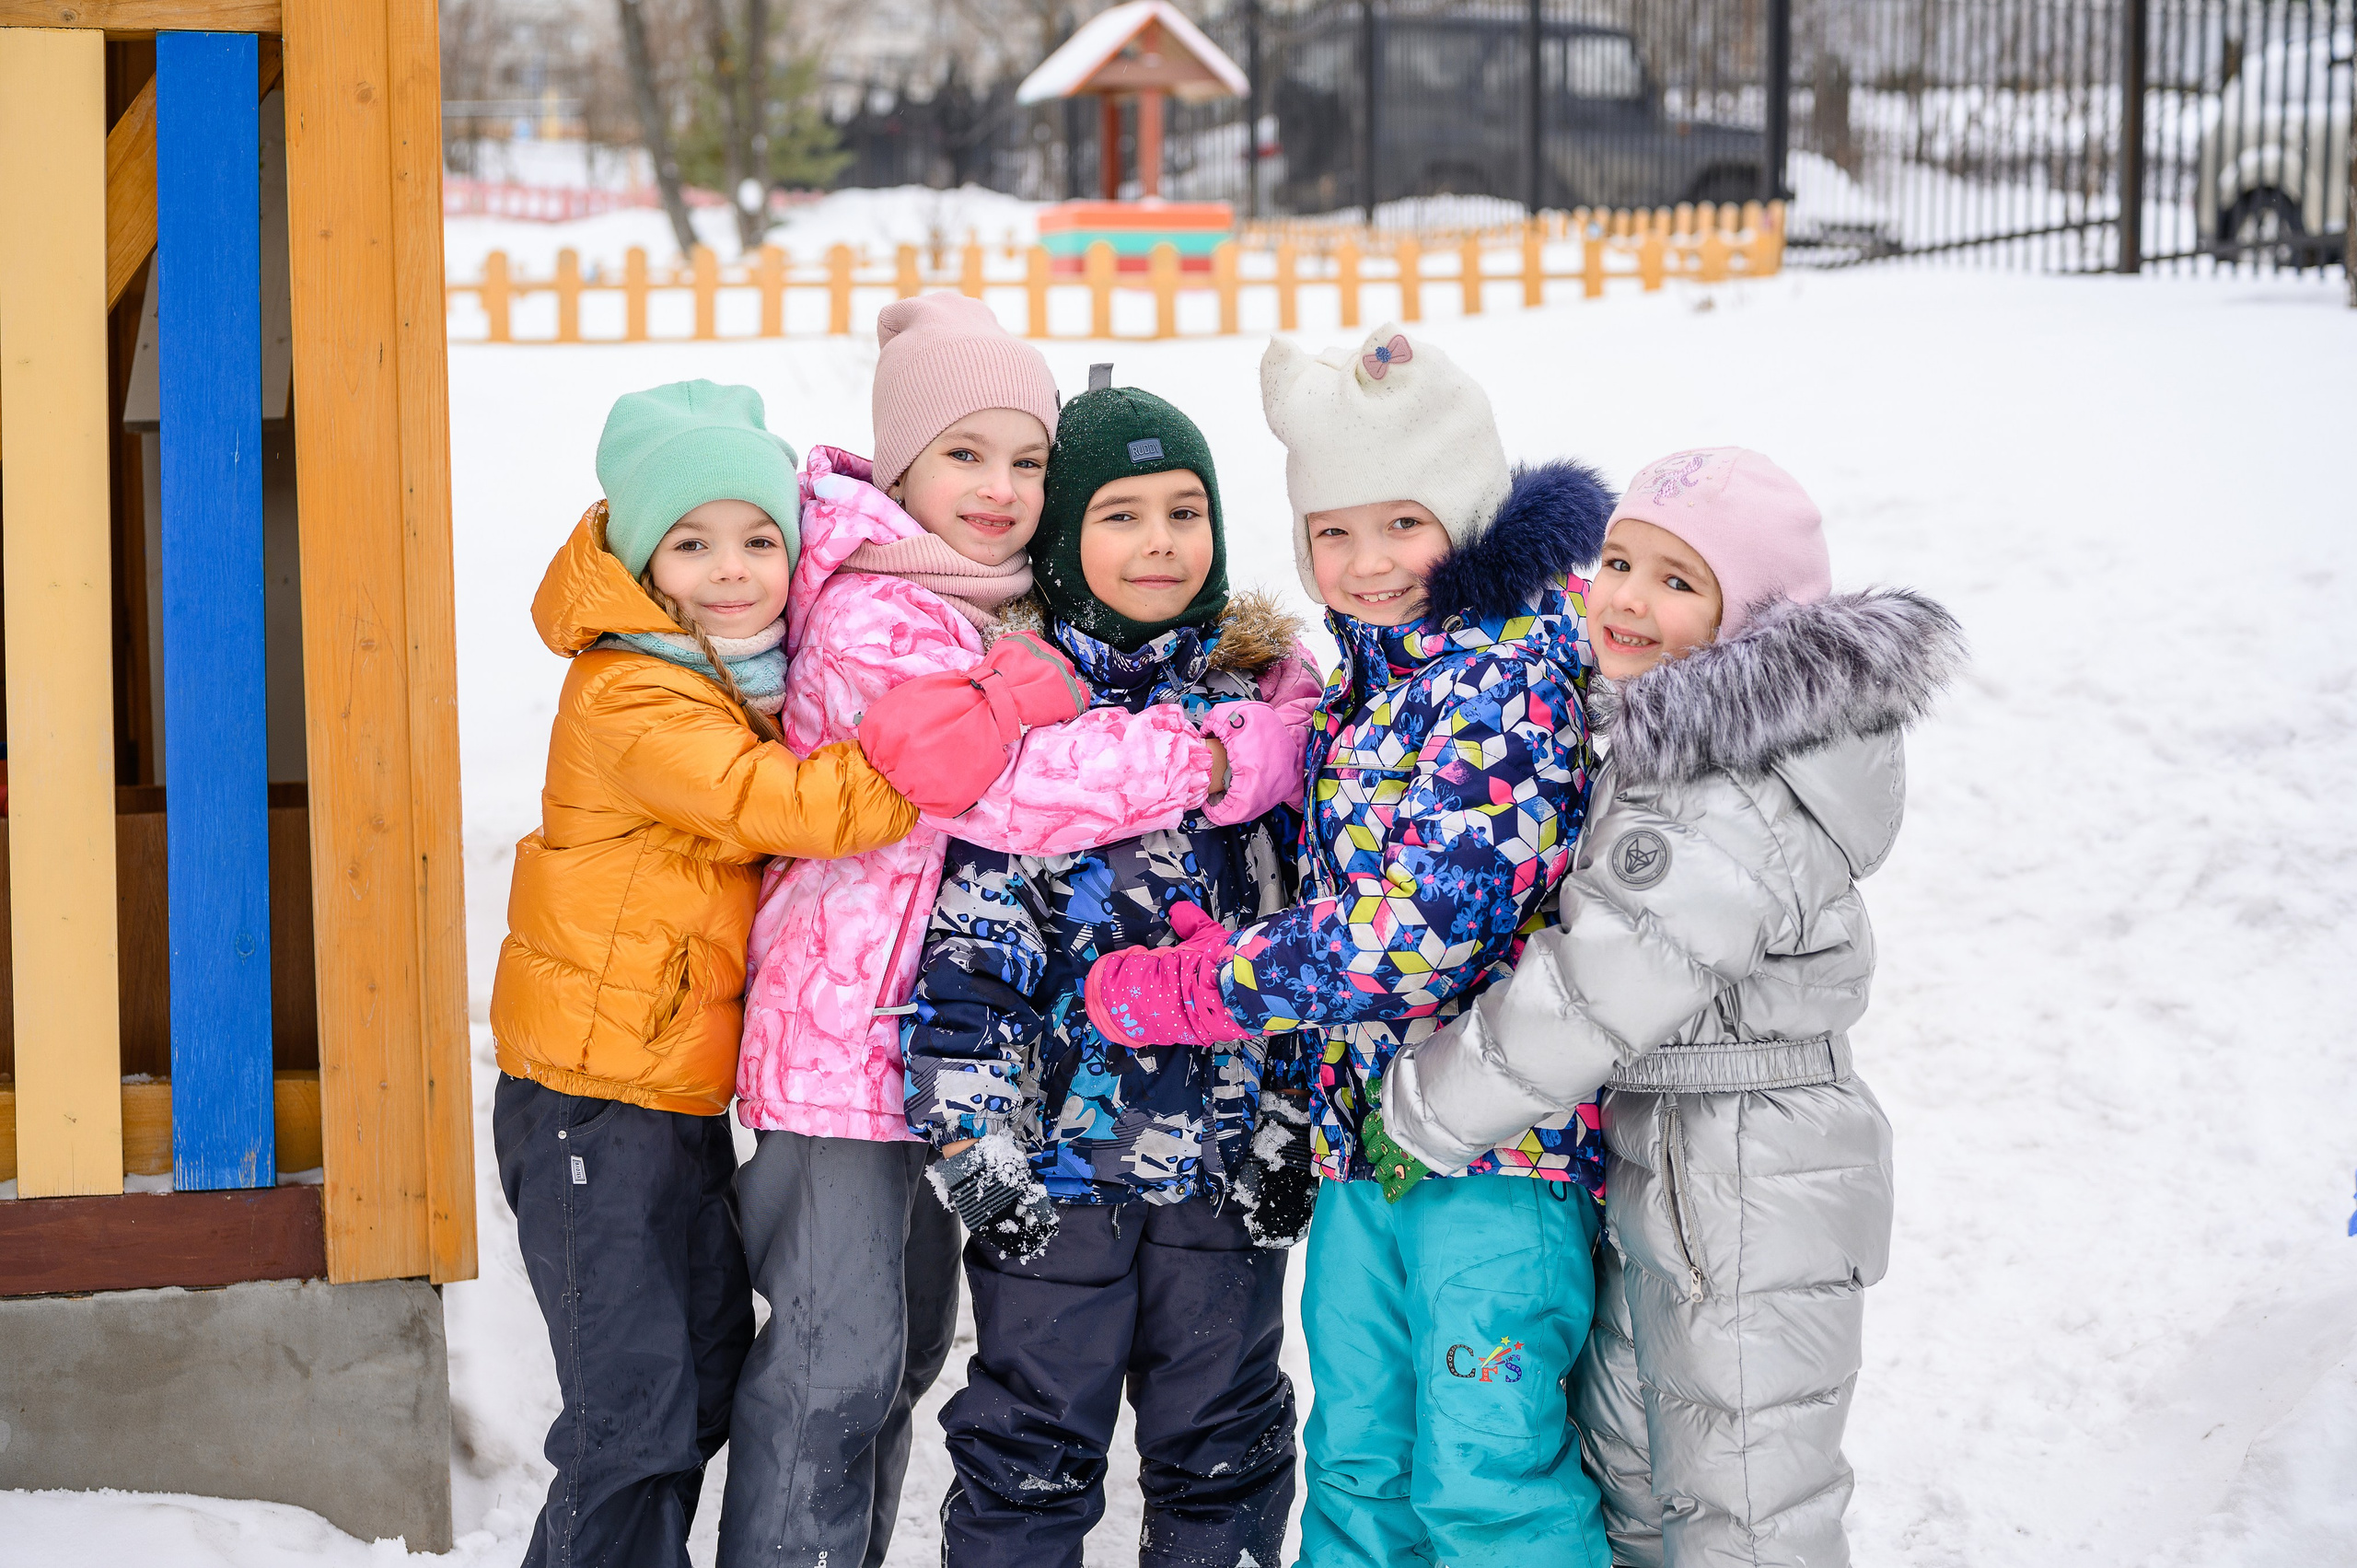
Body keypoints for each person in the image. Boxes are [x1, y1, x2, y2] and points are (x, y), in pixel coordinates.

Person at [719, 308, 1304, 1568]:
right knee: (842, 1369)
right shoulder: (885, 607)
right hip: (854, 1053)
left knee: (898, 1366)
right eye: (963, 455)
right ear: (899, 464)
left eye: (1025, 461)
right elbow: (1010, 789)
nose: (998, 489)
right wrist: (1214, 755)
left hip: (939, 1063)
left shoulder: (987, 602)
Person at [1375, 447, 1965, 1567]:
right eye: (1617, 561)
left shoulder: (1732, 792)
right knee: (1640, 1480)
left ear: (1750, 623)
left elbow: (1595, 983)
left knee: (1742, 1504)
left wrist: (1425, 1109)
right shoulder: (1668, 750)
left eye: (1678, 580)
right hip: (1683, 1160)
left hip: (1746, 1178)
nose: (1629, 597)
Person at [1086, 325, 1617, 1568]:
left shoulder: (1510, 676)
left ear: (1469, 514)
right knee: (1361, 1457)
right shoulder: (1370, 683)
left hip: (1502, 1152)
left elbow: (1412, 941)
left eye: (1402, 524)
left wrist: (1203, 987)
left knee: (1486, 1473)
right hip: (1363, 1144)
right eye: (1333, 532)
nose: (1366, 563)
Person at [488, 379, 918, 1568]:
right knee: (631, 1420)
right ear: (641, 555)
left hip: (667, 1101)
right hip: (588, 1101)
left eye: (759, 539)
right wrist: (933, 750)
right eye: (692, 541)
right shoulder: (634, 692)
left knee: (703, 1375)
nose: (732, 568)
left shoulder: (728, 676)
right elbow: (770, 803)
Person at [902, 378, 1323, 1568]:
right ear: (1068, 537)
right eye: (1122, 514)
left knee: (1228, 1441)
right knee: (1029, 1448)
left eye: (1184, 512)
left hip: (1223, 1171)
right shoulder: (1027, 715)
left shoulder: (1262, 724)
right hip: (1059, 1178)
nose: (1159, 543)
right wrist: (973, 1141)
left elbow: (1297, 946)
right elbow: (972, 968)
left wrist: (1288, 1123)